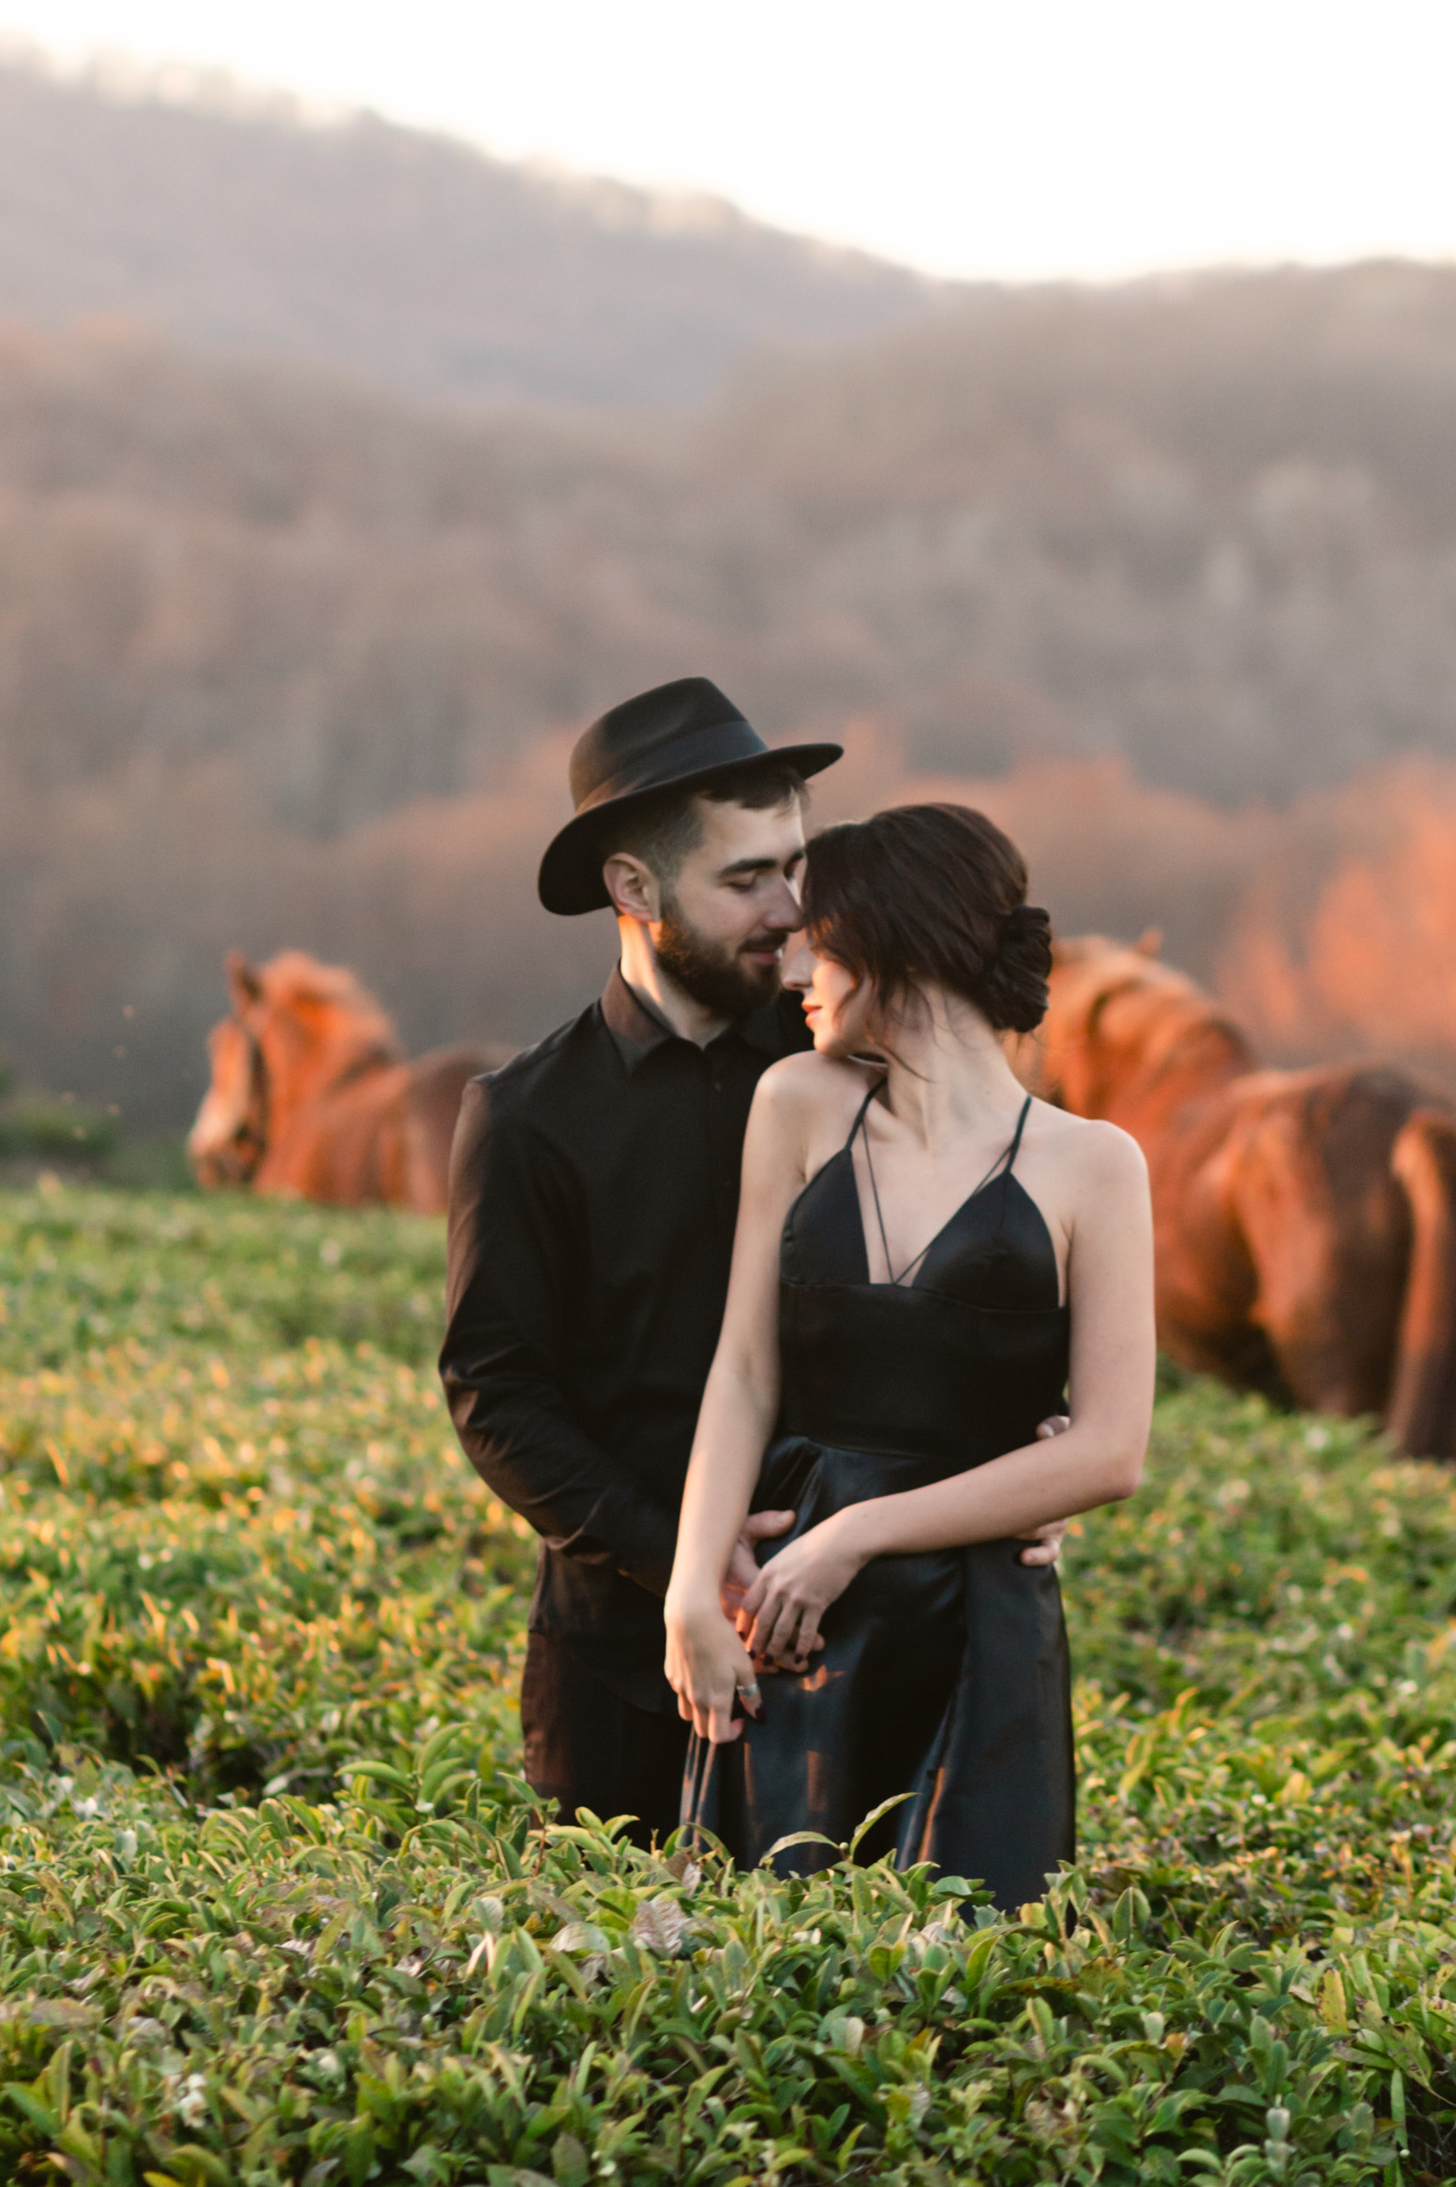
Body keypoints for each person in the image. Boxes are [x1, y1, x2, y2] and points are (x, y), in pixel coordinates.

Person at [441, 679, 1070, 1839]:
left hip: (870, 1640)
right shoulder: (528, 1115)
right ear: (633, 890)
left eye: (795, 870)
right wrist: (681, 1557)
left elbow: (979, 1271)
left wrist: (1026, 1444)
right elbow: (495, 1393)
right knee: (634, 1952)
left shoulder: (856, 1052)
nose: (790, 912)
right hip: (626, 1660)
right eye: (745, 881)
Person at [663, 802, 1156, 1908]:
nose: (796, 969)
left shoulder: (1095, 1164)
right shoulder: (795, 1103)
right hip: (794, 1619)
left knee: (967, 1957)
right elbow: (743, 1370)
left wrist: (854, 1534)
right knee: (764, 1944)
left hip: (978, 1621)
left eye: (818, 940)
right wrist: (691, 1584)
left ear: (894, 940)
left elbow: (1109, 1452)